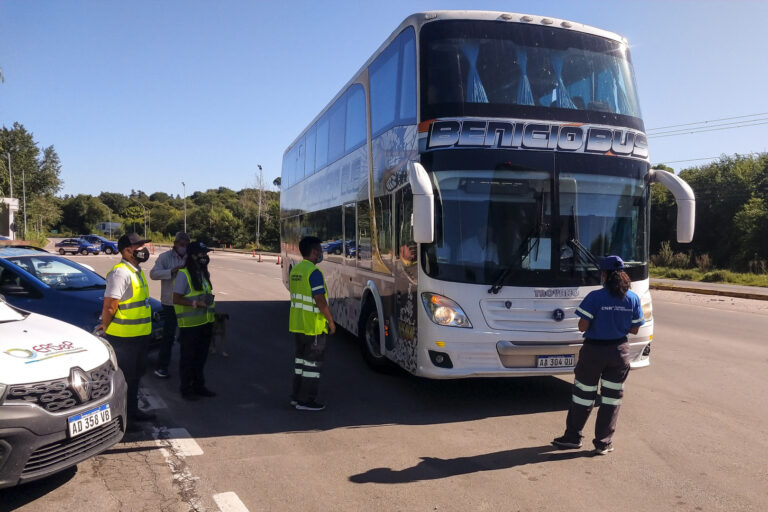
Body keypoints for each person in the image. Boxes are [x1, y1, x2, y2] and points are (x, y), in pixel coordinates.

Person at [552, 255, 644, 455]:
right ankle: (603, 443)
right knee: (611, 400)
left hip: (594, 352)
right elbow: (636, 329)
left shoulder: (595, 297)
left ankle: (572, 437)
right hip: (619, 352)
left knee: (584, 396)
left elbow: (582, 325)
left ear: (604, 274)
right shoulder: (633, 298)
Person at [97, 232, 156, 431]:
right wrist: (105, 326)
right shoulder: (120, 272)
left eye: (143, 245)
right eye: (138, 247)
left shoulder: (136, 270)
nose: (143, 250)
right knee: (124, 380)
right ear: (126, 251)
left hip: (139, 335)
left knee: (136, 377)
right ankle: (124, 419)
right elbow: (110, 306)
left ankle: (133, 411)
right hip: (124, 338)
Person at [289, 236, 336, 411]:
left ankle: (296, 397)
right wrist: (330, 321)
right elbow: (320, 300)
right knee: (312, 367)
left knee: (301, 365)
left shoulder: (296, 270)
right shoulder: (314, 273)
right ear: (314, 252)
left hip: (298, 325)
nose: (321, 254)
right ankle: (306, 400)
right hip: (313, 327)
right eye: (320, 250)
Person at [173, 241, 217, 400]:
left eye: (206, 254)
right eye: (201, 254)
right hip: (190, 326)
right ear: (192, 256)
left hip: (205, 323)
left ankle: (199, 386)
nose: (205, 257)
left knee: (201, 358)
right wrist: (194, 303)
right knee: (188, 359)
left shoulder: (203, 273)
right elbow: (176, 299)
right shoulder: (184, 274)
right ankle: (186, 389)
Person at [149, 231, 190, 378]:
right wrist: (172, 271)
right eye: (181, 245)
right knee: (168, 336)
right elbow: (153, 274)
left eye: (186, 245)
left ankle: (186, 366)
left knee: (186, 335)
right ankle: (162, 367)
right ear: (175, 244)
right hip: (170, 302)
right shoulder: (165, 257)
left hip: (186, 302)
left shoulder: (189, 257)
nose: (183, 248)